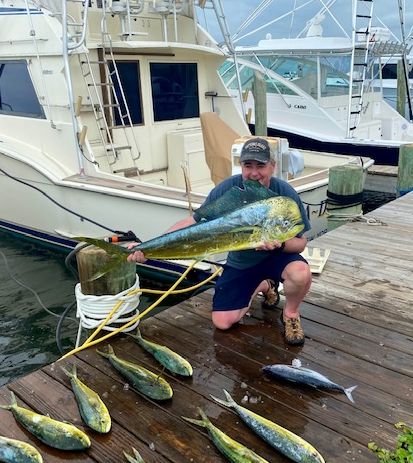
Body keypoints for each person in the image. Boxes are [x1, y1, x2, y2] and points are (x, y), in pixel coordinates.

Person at [127, 138, 312, 345]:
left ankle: (291, 314)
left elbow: (301, 242)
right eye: (247, 165)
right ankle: (264, 285)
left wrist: (282, 244)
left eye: (261, 165)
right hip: (242, 263)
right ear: (240, 166)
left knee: (301, 273)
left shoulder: (285, 193)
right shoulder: (228, 189)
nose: (254, 173)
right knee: (223, 322)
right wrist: (146, 246)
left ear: (273, 166)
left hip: (277, 257)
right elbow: (192, 222)